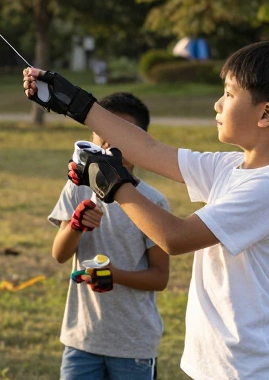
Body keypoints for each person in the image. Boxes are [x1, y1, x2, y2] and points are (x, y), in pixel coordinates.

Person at [23, 40, 269, 379]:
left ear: (266, 114)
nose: (217, 104)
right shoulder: (231, 167)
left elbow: (175, 237)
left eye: (228, 94)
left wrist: (114, 183)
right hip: (218, 365)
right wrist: (77, 103)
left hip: (258, 368)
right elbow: (148, 147)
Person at [49, 92, 170, 380]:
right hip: (82, 338)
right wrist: (75, 226)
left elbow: (159, 278)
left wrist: (114, 275)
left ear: (140, 140)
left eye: (119, 134)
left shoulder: (153, 202)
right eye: (101, 133)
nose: (107, 143)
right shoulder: (78, 188)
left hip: (133, 344)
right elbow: (60, 254)